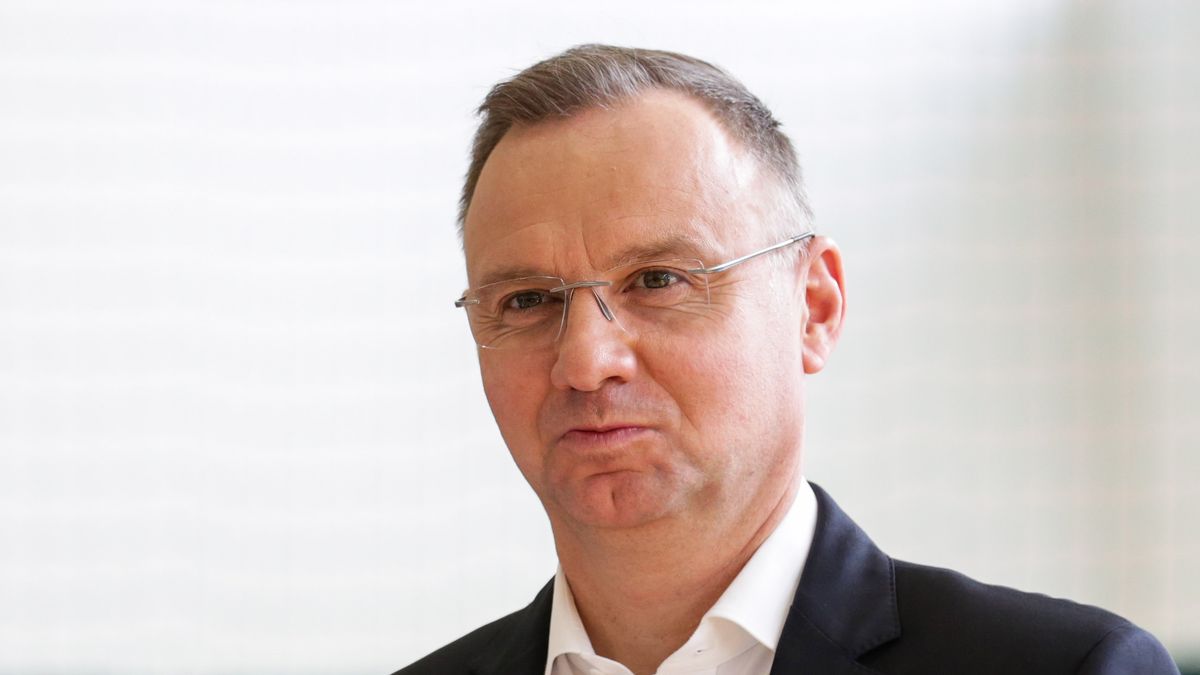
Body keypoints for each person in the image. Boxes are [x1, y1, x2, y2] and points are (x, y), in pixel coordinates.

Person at [396, 44, 1179, 675]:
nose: (586, 360)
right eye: (528, 300)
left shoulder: (1069, 666)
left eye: (660, 280)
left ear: (815, 307)